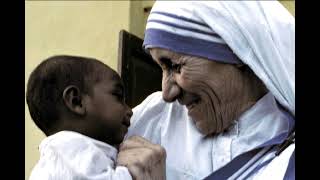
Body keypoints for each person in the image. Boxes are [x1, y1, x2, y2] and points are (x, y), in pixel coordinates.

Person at [125, 1, 295, 179]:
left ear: (238, 51)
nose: (167, 93)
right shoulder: (156, 117)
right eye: (162, 68)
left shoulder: (287, 152)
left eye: (174, 66)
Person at [27, 55, 166, 180]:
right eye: (117, 96)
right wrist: (136, 172)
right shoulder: (69, 150)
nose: (130, 110)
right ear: (76, 101)